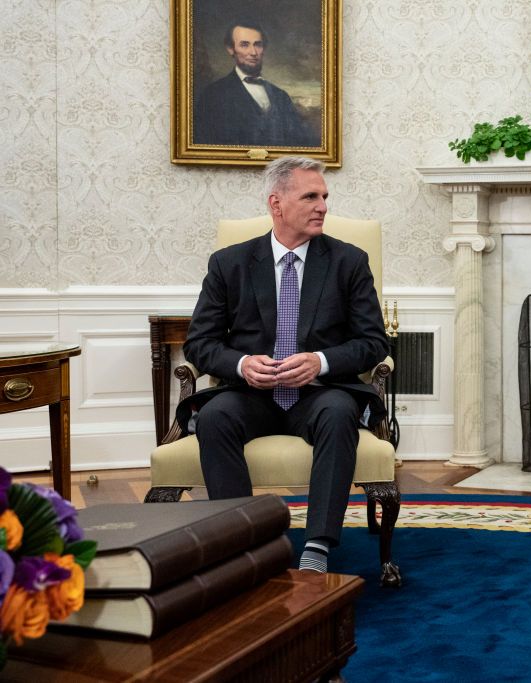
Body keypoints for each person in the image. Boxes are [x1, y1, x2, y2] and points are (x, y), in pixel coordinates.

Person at [177, 156, 388, 573]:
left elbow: (373, 342)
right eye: (310, 196)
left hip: (320, 394)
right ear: (277, 203)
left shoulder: (349, 261)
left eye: (325, 196)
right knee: (215, 416)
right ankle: (243, 541)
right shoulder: (229, 263)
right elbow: (199, 343)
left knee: (339, 411)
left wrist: (320, 361)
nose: (323, 206)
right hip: (250, 395)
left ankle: (318, 547)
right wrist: (241, 365)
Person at [194, 21, 318, 147]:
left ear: (263, 48)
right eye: (244, 45)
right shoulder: (213, 94)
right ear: (231, 49)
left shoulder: (281, 96)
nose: (253, 52)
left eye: (257, 45)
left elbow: (300, 143)